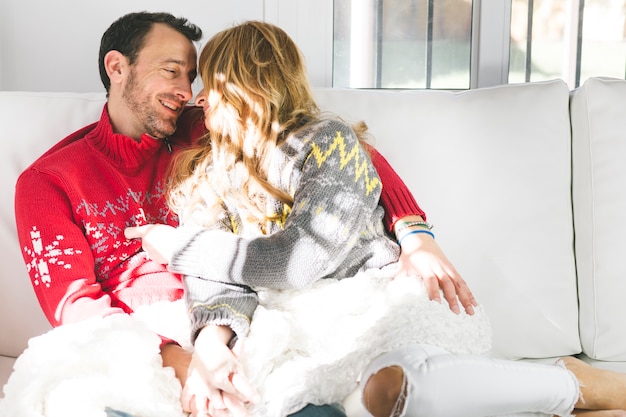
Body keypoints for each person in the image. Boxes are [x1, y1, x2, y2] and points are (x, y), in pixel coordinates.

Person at [126, 20, 626, 417]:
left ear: (243, 86)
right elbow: (216, 281)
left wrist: (177, 245)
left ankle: (573, 384)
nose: (197, 99)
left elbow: (294, 262)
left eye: (208, 85)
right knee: (360, 399)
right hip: (299, 332)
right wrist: (215, 337)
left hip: (378, 303)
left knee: (403, 382)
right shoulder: (207, 170)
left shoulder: (328, 143)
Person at [13, 11, 475, 417]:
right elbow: (74, 305)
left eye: (193, 77)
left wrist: (415, 234)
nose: (188, 92)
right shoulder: (50, 181)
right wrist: (178, 360)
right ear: (117, 67)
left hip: (245, 314)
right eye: (172, 72)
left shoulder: (205, 128)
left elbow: (350, 154)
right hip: (154, 339)